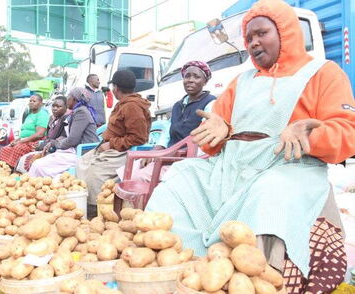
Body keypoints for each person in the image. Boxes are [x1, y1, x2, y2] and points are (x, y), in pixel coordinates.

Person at [146, 0, 355, 292]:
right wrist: (218, 132)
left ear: (285, 31)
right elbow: (214, 136)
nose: (254, 42)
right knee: (179, 178)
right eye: (249, 38)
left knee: (268, 193)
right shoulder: (240, 81)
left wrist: (308, 135)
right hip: (230, 167)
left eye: (262, 33)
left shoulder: (324, 73)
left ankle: (256, 280)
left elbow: (347, 134)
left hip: (289, 167)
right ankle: (180, 269)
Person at [120, 61, 216, 182]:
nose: (190, 80)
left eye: (197, 77)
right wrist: (156, 150)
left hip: (188, 161)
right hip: (169, 156)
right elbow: (167, 132)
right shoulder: (178, 105)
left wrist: (167, 155)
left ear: (205, 81)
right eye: (187, 76)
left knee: (138, 178)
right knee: (126, 172)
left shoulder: (210, 103)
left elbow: (202, 141)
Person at [76, 69, 151, 217]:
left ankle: (96, 209)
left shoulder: (132, 106)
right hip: (113, 147)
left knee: (94, 172)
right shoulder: (123, 103)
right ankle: (85, 203)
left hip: (124, 150)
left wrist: (111, 144)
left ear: (115, 88)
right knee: (82, 162)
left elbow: (138, 138)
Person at [29, 89, 99, 178]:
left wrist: (55, 143)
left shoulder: (81, 112)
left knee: (39, 165)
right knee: (40, 161)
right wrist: (54, 143)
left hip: (83, 152)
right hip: (75, 149)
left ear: (74, 99)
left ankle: (41, 186)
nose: (67, 99)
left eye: (68, 96)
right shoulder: (77, 111)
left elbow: (72, 140)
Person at [16, 96, 69, 173]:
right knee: (22, 159)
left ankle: (33, 179)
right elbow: (47, 137)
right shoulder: (52, 119)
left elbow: (62, 138)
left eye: (59, 106)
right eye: (53, 106)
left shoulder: (66, 120)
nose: (55, 108)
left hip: (57, 149)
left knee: (30, 160)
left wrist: (47, 145)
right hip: (46, 146)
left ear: (66, 107)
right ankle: (19, 179)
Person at [0, 94, 49, 169]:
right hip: (24, 140)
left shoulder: (42, 115)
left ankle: (16, 171)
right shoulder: (29, 115)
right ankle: (5, 169)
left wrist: (22, 141)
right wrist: (16, 140)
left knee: (18, 149)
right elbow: (24, 132)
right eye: (30, 101)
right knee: (5, 149)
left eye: (34, 101)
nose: (31, 102)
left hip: (35, 142)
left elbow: (40, 134)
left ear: (40, 103)